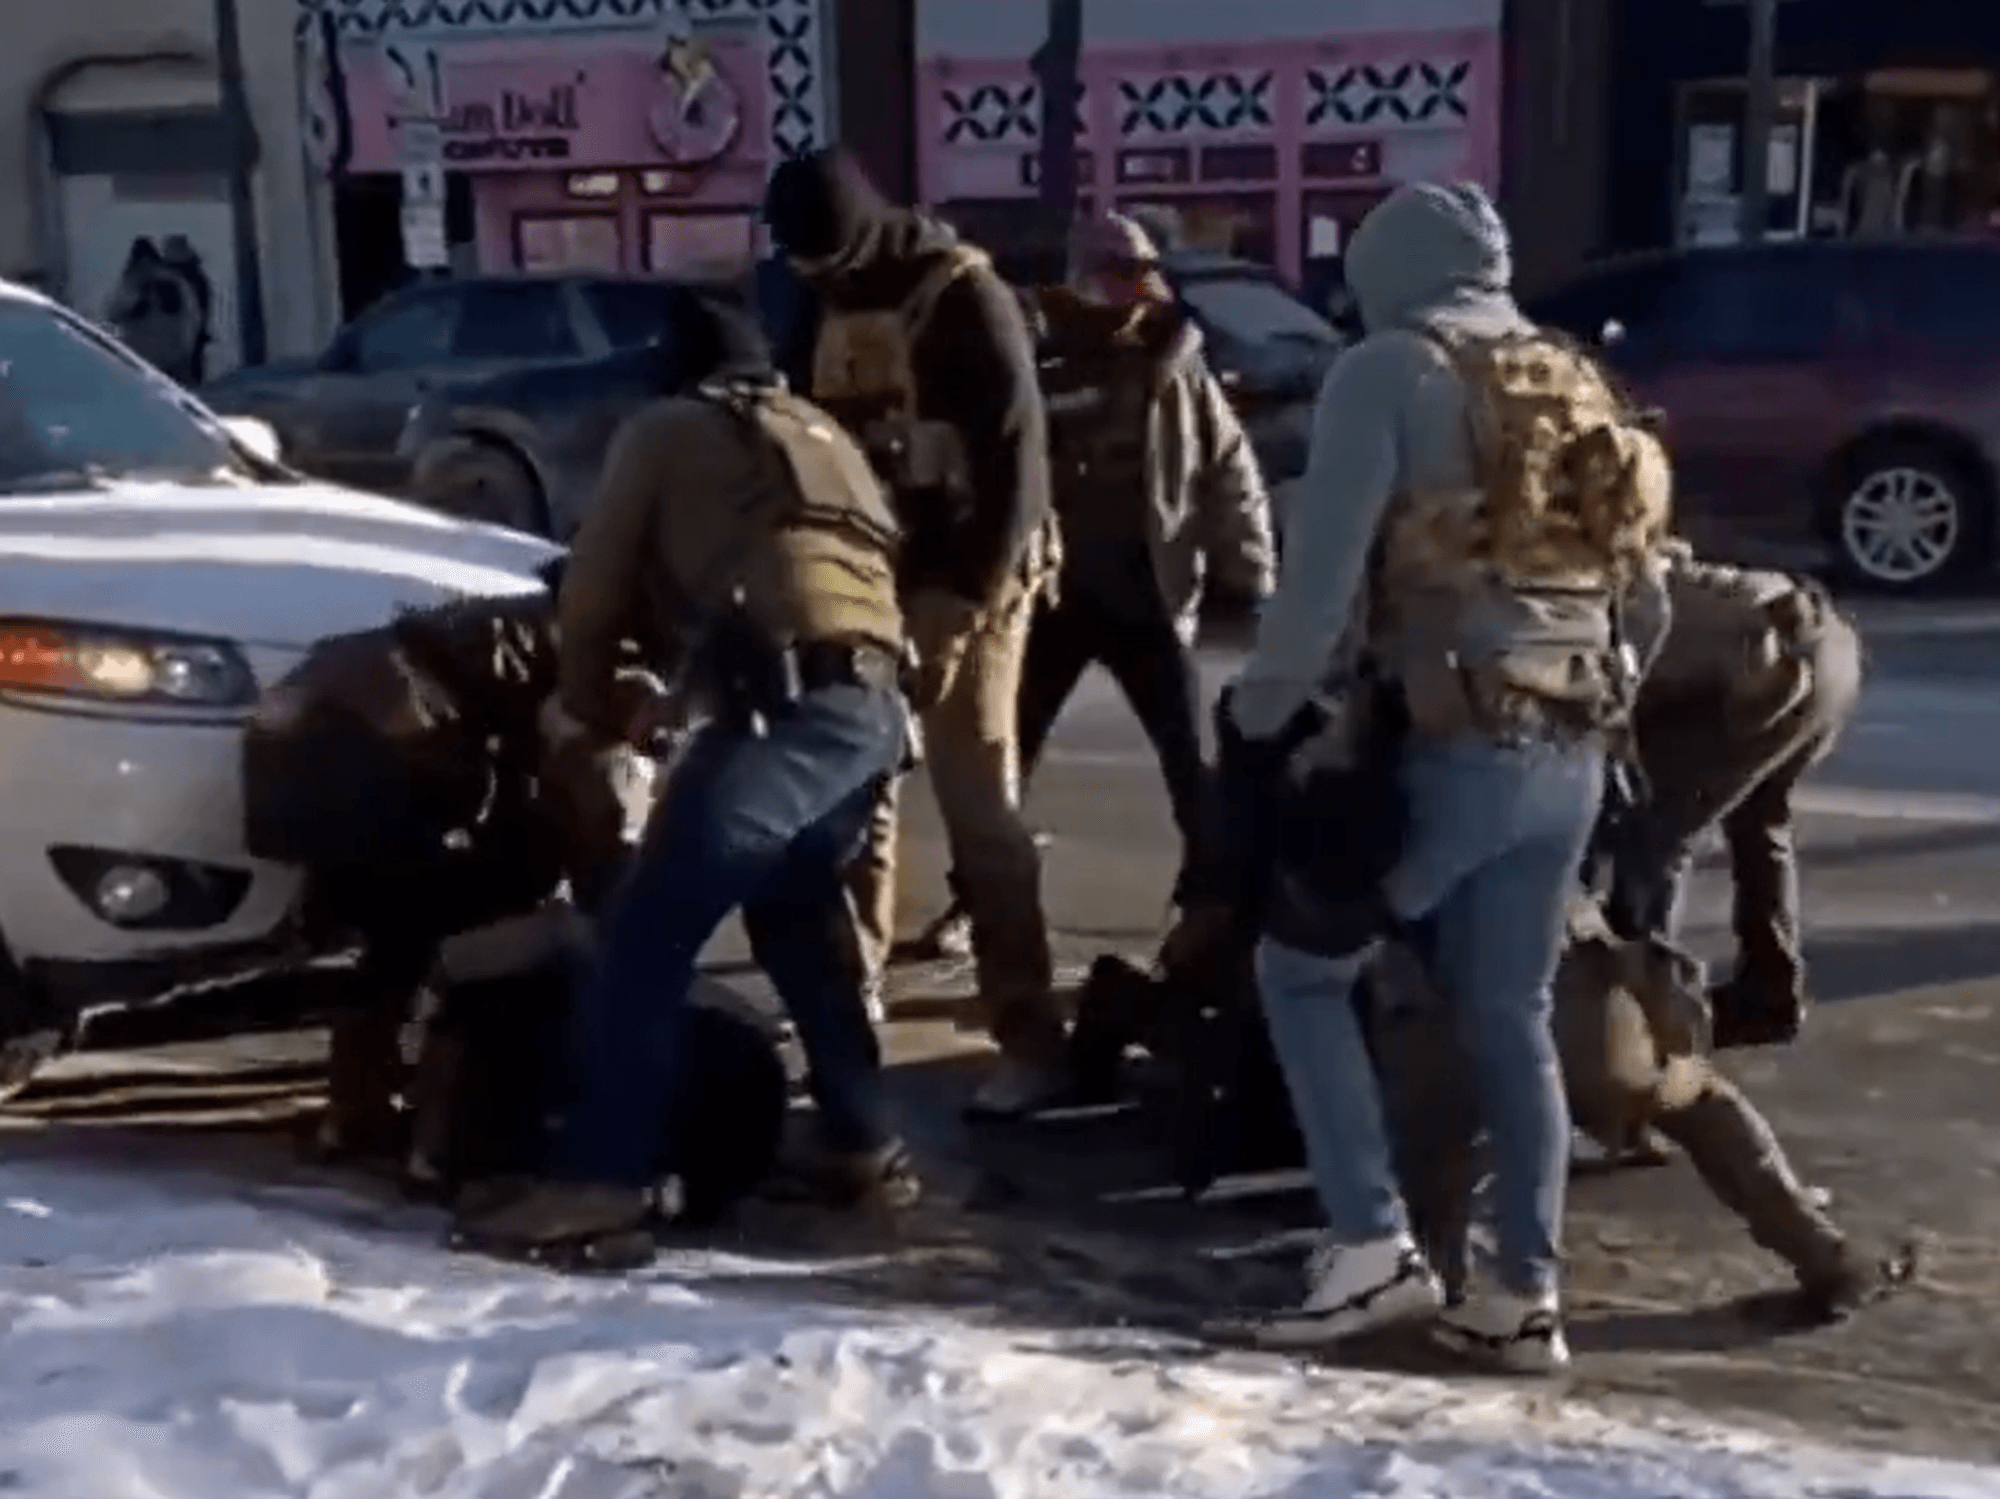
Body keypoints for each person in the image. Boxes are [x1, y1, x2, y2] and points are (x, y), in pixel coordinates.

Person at [1223, 182, 1672, 1369]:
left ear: (1386, 269)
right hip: (1572, 745)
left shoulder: (1388, 371)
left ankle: (1372, 1244)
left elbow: (1318, 590)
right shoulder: (1567, 378)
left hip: (1452, 741)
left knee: (1300, 973)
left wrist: (1257, 712)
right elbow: (1651, 593)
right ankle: (1521, 1293)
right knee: (1505, 1008)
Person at [460, 291, 920, 1254]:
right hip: (872, 704)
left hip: (785, 706)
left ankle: (603, 1176)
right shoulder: (813, 432)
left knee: (644, 933)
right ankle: (862, 1140)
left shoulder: (669, 428)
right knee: (799, 918)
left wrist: (586, 699)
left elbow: (595, 586)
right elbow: (793, 576)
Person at [762, 146, 1064, 1115]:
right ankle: (848, 1001)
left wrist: (958, 602)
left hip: (971, 576)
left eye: (827, 262)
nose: (817, 282)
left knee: (979, 803)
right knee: (854, 797)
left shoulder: (964, 296)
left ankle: (1028, 1033)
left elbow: (1016, 471)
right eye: (802, 268)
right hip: (861, 573)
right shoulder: (814, 291)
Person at [915, 213, 1276, 958]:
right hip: (1050, 598)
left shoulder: (1172, 359)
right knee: (1002, 758)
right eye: (1120, 280)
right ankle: (974, 900)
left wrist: (1250, 569)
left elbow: (1228, 467)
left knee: (1191, 766)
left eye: (1141, 281)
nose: (1134, 300)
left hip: (1149, 593)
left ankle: (1209, 908)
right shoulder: (1030, 350)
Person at [1376, 895, 1913, 1322]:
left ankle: (1438, 1274)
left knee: (1435, 1140)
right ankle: (1828, 1257)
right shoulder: (1548, 768)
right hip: (1578, 1001)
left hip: (1444, 1007)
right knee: (1699, 1098)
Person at [1606, 546, 1862, 1048]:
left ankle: (1637, 1015)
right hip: (1827, 644)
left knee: (1656, 835)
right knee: (1760, 816)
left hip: (1766, 660)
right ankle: (1771, 991)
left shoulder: (1596, 600)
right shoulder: (1636, 558)